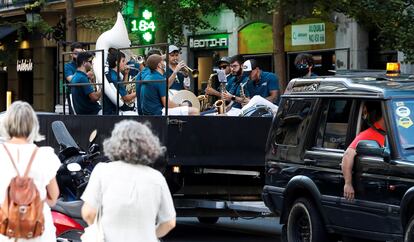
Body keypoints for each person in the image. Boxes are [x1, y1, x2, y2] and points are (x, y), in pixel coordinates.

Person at [81, 120, 176, 242]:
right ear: (149, 146)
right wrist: (150, 234)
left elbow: (88, 213)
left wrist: (98, 230)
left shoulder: (102, 170)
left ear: (114, 144)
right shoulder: (157, 178)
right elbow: (169, 222)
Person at [0, 101, 60, 241]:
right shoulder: (45, 156)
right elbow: (53, 197)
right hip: (38, 231)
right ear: (33, 125)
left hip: (5, 230)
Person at [341, 101, 386, 201]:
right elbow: (348, 155)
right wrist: (348, 183)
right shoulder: (368, 134)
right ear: (385, 116)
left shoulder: (399, 132)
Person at [103, 50, 136, 115]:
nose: (125, 63)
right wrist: (139, 90)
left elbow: (121, 87)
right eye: (123, 61)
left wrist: (126, 74)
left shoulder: (111, 73)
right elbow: (126, 98)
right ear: (116, 63)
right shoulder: (114, 77)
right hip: (114, 111)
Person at [135, 49, 163, 115]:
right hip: (152, 114)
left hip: (143, 113)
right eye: (161, 60)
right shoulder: (149, 73)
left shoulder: (141, 74)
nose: (163, 63)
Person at [64, 42, 84, 114]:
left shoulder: (85, 64)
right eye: (76, 53)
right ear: (71, 54)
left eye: (80, 53)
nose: (78, 56)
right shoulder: (67, 66)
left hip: (85, 95)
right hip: (74, 96)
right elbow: (72, 80)